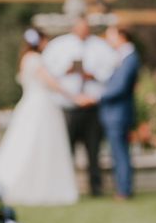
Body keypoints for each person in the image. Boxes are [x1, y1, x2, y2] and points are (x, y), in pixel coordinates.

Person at [0, 29, 81, 206]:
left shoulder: (25, 59)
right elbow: (51, 83)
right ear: (40, 41)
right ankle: (40, 187)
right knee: (41, 145)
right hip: (41, 105)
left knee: (25, 144)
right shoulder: (36, 59)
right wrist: (74, 97)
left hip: (29, 104)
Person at [42, 17, 118, 196]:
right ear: (73, 28)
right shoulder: (59, 45)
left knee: (94, 149)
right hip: (69, 107)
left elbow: (111, 71)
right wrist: (66, 70)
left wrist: (94, 75)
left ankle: (96, 187)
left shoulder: (101, 46)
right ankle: (66, 187)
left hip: (92, 107)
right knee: (67, 149)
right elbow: (47, 72)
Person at [100, 26, 141, 199]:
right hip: (116, 113)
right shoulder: (122, 57)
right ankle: (123, 188)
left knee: (120, 152)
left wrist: (97, 96)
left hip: (119, 113)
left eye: (110, 35)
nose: (108, 39)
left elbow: (120, 87)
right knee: (118, 152)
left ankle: (124, 190)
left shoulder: (130, 58)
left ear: (122, 36)